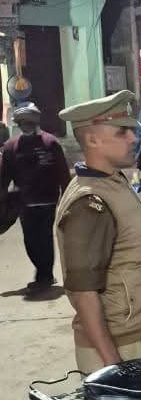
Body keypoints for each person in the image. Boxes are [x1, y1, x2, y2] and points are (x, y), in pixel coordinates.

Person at [56, 91, 141, 374]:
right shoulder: (89, 202)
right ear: (92, 140)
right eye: (122, 132)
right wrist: (114, 367)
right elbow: (83, 292)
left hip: (138, 337)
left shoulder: (112, 182)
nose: (133, 138)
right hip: (121, 348)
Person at [0, 102, 71, 294]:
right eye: (23, 122)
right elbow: (4, 176)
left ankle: (44, 276)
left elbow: (63, 173)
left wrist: (68, 196)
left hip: (48, 200)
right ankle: (43, 273)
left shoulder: (51, 143)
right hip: (24, 202)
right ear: (18, 123)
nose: (26, 125)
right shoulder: (10, 147)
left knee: (45, 237)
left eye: (29, 121)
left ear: (36, 121)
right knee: (30, 240)